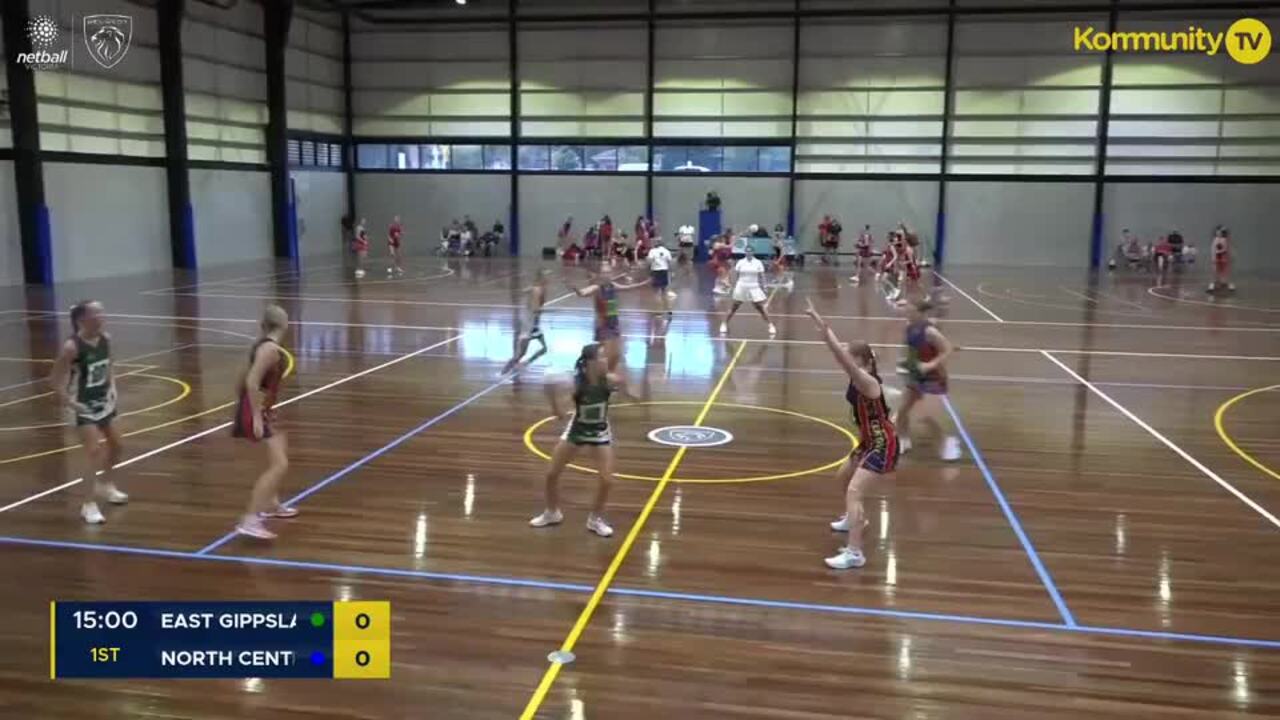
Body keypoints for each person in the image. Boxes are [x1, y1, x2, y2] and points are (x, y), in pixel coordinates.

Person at [805, 299, 898, 570]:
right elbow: (842, 357)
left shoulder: (868, 383)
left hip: (882, 443)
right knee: (842, 479)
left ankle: (855, 553)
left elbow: (842, 359)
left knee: (855, 491)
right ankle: (854, 518)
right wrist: (819, 321)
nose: (847, 360)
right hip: (868, 440)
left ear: (864, 363)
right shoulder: (859, 375)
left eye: (851, 357)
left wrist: (826, 335)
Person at [530, 343, 639, 538]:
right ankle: (552, 513)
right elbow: (561, 415)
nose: (606, 360)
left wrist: (628, 386)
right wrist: (552, 397)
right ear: (591, 363)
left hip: (600, 431)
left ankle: (595, 519)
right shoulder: (576, 384)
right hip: (577, 430)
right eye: (602, 357)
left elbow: (633, 397)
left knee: (607, 480)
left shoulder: (610, 381)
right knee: (551, 474)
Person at [49, 301, 128, 525]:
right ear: (82, 319)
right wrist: (72, 404)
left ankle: (107, 485)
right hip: (83, 406)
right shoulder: (71, 347)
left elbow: (110, 364)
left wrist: (113, 387)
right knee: (94, 451)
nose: (102, 316)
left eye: (102, 311)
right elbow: (54, 380)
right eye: (96, 313)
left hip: (105, 402)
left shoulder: (106, 339)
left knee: (118, 445)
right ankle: (88, 504)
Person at [230, 305, 297, 540]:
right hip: (253, 410)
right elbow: (251, 382)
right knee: (280, 464)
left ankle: (272, 504)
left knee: (280, 444)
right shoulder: (269, 350)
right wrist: (256, 415)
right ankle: (250, 519)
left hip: (258, 408)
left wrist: (266, 408)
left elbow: (241, 381)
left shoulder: (262, 346)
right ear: (285, 323)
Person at [894, 300, 961, 462]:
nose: (905, 311)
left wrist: (930, 364)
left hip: (933, 377)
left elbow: (947, 349)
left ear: (919, 312)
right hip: (915, 375)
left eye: (909, 308)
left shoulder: (930, 331)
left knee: (926, 416)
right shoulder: (908, 327)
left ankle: (947, 443)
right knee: (902, 410)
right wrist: (905, 363)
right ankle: (903, 440)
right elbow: (911, 351)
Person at [572, 270, 647, 372]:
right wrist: (575, 289)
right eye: (604, 273)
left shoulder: (613, 285)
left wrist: (645, 283)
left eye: (608, 272)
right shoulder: (596, 288)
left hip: (614, 322)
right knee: (604, 354)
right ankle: (596, 373)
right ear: (601, 275)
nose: (606, 275)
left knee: (616, 354)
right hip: (603, 323)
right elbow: (582, 293)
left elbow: (628, 288)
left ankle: (608, 374)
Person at [502, 270, 550, 375]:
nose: (548, 281)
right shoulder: (537, 291)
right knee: (521, 354)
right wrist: (548, 310)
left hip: (533, 323)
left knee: (544, 348)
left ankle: (524, 364)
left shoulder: (536, 289)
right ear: (541, 279)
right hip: (529, 324)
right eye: (546, 278)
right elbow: (535, 309)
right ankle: (505, 372)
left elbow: (524, 291)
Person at [720, 250, 776, 336]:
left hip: (754, 286)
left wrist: (764, 286)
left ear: (753, 252)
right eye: (747, 251)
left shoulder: (758, 262)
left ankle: (770, 325)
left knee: (760, 308)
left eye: (750, 251)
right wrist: (732, 284)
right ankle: (724, 324)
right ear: (745, 253)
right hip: (742, 286)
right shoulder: (740, 262)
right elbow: (736, 274)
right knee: (734, 306)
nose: (749, 253)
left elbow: (762, 275)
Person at [646, 238, 675, 321]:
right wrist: (672, 272)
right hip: (664, 272)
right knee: (665, 292)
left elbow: (649, 261)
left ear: (656, 243)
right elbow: (670, 262)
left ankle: (659, 312)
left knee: (656, 293)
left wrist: (648, 270)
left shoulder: (652, 251)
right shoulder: (666, 251)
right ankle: (669, 311)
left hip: (656, 272)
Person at [1208, 226, 1234, 293]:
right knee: (1216, 273)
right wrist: (1214, 257)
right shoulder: (1216, 240)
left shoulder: (1224, 240)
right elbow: (1214, 250)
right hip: (1218, 258)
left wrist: (1226, 257)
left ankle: (1228, 285)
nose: (1219, 233)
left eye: (1220, 232)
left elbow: (1226, 250)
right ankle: (1213, 286)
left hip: (1222, 258)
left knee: (1224, 273)